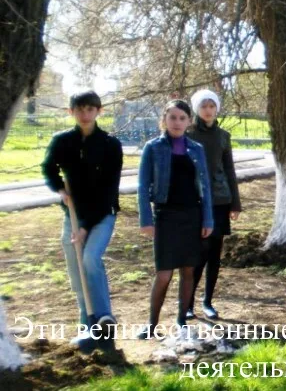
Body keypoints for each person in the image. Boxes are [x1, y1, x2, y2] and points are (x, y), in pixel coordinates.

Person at [41, 91, 123, 349]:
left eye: (90, 109)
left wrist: (86, 227)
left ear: (99, 111)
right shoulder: (62, 141)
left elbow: (109, 190)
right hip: (72, 215)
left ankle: (103, 319)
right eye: (80, 109)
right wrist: (60, 189)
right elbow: (48, 167)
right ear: (71, 112)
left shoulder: (110, 144)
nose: (85, 114)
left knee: (89, 258)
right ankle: (88, 325)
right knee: (77, 270)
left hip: (102, 215)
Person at [137, 99, 213, 340]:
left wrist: (208, 220)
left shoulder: (196, 149)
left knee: (188, 271)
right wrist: (146, 220)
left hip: (192, 216)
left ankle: (181, 321)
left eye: (182, 118)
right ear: (164, 120)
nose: (177, 122)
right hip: (165, 217)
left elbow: (206, 188)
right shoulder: (153, 147)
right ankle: (152, 324)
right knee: (164, 273)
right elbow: (142, 186)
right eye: (172, 118)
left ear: (189, 121)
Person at [185, 90, 242, 320]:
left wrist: (235, 203)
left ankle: (207, 301)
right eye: (203, 106)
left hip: (220, 199)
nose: (208, 110)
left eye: (212, 106)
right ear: (197, 109)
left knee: (215, 253)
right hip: (196, 200)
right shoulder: (187, 133)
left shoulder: (223, 136)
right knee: (198, 252)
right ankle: (187, 303)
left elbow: (229, 169)